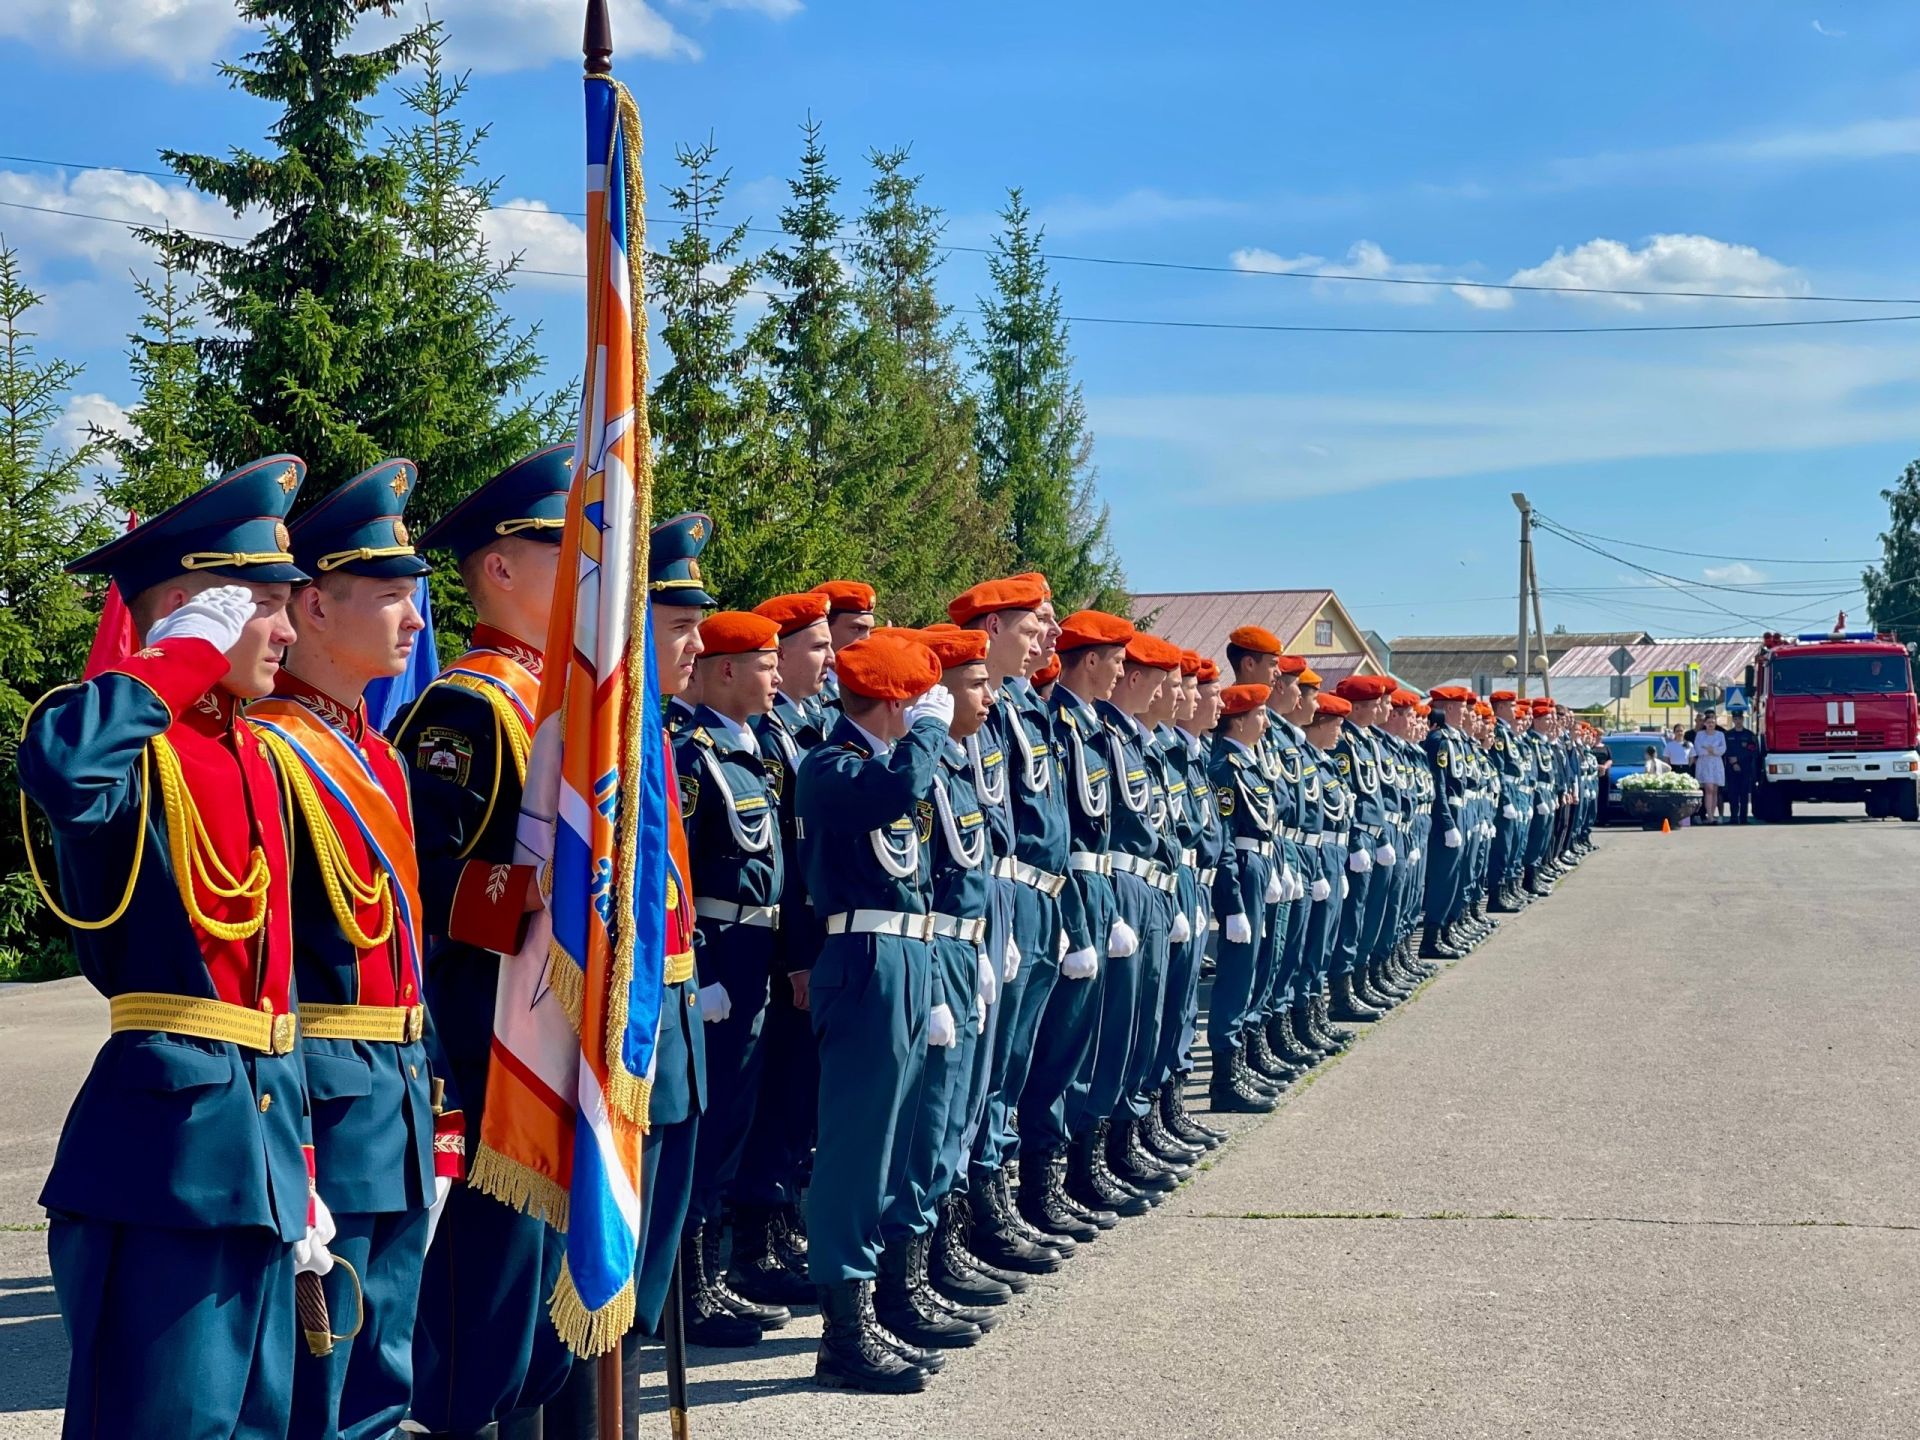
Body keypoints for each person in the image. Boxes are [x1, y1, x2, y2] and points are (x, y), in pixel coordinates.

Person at [21, 455, 321, 1440]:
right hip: (168, 1158)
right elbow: (64, 769)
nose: (287, 628)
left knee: (255, 1426)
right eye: (265, 605)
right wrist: (176, 655)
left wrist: (301, 1165)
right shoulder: (128, 735)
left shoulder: (251, 754)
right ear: (195, 609)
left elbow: (275, 984)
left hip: (260, 1145)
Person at [256, 459, 462, 1440]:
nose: (415, 621)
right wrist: (288, 1142)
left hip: (393, 1088)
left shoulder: (374, 752)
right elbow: (267, 965)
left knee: (382, 1369)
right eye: (389, 598)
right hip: (324, 1099)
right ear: (312, 607)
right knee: (319, 1372)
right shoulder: (271, 749)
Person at [396, 446, 579, 1440]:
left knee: (540, 1336)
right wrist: (561, 899)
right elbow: (432, 897)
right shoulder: (470, 708)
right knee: (480, 1331)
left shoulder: (562, 701)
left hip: (550, 1045)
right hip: (489, 1043)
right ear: (500, 567)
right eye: (562, 549)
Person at [796, 632, 954, 1392]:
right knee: (856, 1153)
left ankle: (876, 1306)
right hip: (863, 964)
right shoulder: (830, 767)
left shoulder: (882, 763)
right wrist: (929, 730)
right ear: (894, 703)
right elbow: (896, 793)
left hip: (904, 958)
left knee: (893, 1146)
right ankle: (843, 1334)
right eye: (915, 701)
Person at [673, 611, 791, 1346]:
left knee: (739, 1122)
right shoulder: (694, 755)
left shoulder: (754, 751)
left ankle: (713, 1273)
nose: (776, 677)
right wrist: (705, 969)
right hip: (718, 953)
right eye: (764, 663)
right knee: (709, 1130)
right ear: (724, 670)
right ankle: (690, 1289)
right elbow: (674, 870)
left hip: (758, 954)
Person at [1724, 710, 1760, 823]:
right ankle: (1733, 817)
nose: (1737, 721)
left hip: (1745, 769)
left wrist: (1738, 760)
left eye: (1739, 718)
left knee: (1744, 794)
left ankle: (1743, 818)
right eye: (1735, 719)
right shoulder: (1727, 735)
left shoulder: (1749, 735)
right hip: (1731, 769)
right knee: (1732, 794)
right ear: (1733, 720)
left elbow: (1753, 751)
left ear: (1743, 719)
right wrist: (1734, 763)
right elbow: (1725, 751)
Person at [1692, 709, 1727, 823]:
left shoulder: (1720, 734)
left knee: (1715, 790)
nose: (1711, 725)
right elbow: (1697, 749)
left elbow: (1723, 749)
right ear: (1705, 724)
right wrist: (1710, 751)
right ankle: (1710, 816)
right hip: (1704, 763)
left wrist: (1712, 750)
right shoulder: (1700, 735)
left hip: (1716, 763)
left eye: (1713, 722)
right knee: (1709, 789)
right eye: (1708, 723)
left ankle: (1712, 815)